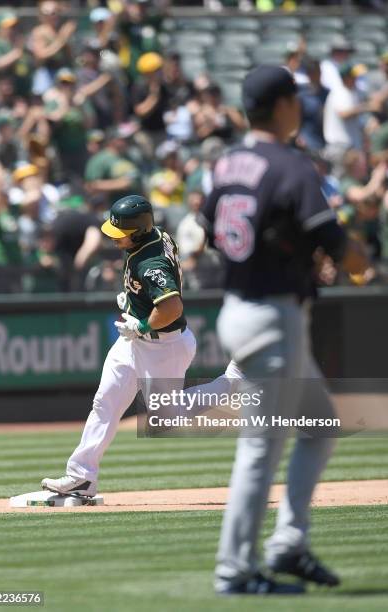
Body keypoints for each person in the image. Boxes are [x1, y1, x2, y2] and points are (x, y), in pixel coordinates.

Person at [199, 65, 370, 596]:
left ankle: (288, 544)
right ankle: (235, 569)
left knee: (319, 429)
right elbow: (343, 249)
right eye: (295, 98)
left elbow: (217, 234)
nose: (301, 106)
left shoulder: (224, 163)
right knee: (260, 447)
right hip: (272, 317)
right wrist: (352, 258)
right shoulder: (289, 164)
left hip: (242, 305)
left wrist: (295, 254)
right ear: (282, 106)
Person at [41, 194, 242, 497]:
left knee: (166, 418)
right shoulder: (154, 236)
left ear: (138, 231)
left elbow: (172, 307)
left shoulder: (150, 262)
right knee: (105, 402)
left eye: (122, 233)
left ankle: (232, 382)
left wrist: (144, 322)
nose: (115, 239)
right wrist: (134, 304)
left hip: (163, 344)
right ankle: (81, 476)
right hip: (134, 342)